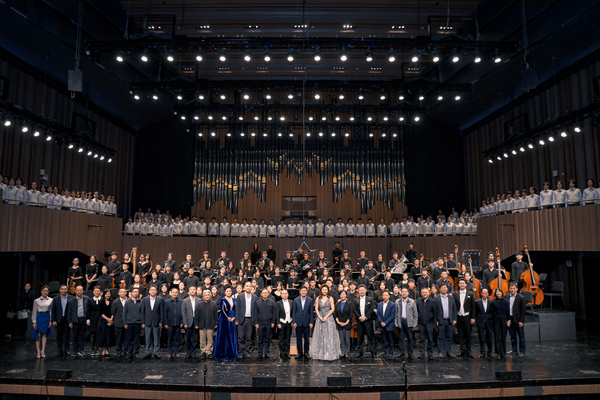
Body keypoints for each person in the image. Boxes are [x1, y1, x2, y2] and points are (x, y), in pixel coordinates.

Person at [311, 285, 340, 361]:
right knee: (320, 335)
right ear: (321, 290)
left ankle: (329, 353)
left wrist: (326, 316)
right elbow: (316, 309)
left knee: (329, 335)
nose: (324, 291)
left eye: (325, 289)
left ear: (328, 290)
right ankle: (320, 354)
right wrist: (320, 317)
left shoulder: (331, 298)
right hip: (320, 317)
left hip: (328, 318)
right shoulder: (318, 298)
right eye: (323, 289)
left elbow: (332, 309)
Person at [213, 286, 238, 361]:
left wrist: (234, 317)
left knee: (231, 336)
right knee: (224, 336)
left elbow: (235, 309)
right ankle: (223, 353)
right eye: (227, 291)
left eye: (230, 291)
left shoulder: (234, 299)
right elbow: (222, 310)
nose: (229, 292)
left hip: (232, 319)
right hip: (224, 320)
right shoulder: (222, 299)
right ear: (225, 292)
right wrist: (228, 318)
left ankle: (231, 353)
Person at [453, 278, 475, 358]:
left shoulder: (470, 294)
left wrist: (473, 317)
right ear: (458, 285)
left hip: (467, 316)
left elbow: (473, 307)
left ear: (466, 284)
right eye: (460, 283)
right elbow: (453, 307)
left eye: (463, 283)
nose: (462, 284)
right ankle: (462, 351)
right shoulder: (455, 294)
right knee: (460, 334)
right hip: (459, 316)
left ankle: (468, 351)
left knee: (468, 334)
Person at [67, 285, 91, 357]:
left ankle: (81, 350)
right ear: (75, 291)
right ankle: (74, 350)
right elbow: (69, 312)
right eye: (78, 290)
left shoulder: (86, 299)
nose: (79, 292)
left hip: (83, 319)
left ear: (83, 291)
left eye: (80, 290)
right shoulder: (71, 301)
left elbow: (89, 310)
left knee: (82, 336)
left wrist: (88, 319)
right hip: (75, 320)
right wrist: (70, 321)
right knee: (74, 336)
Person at [353, 284, 376, 358]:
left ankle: (373, 352)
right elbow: (354, 310)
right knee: (360, 337)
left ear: (365, 291)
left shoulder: (370, 299)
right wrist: (359, 317)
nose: (361, 292)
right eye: (360, 290)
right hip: (359, 321)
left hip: (368, 320)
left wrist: (365, 317)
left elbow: (372, 309)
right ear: (358, 291)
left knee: (370, 336)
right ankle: (360, 352)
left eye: (363, 290)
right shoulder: (355, 300)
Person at [395, 287, 418, 360]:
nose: (404, 293)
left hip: (409, 321)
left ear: (408, 293)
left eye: (405, 291)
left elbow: (415, 313)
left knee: (410, 338)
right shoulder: (397, 301)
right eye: (403, 291)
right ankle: (402, 353)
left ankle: (410, 353)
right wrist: (396, 322)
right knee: (401, 338)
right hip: (401, 321)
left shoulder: (412, 301)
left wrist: (415, 322)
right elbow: (396, 313)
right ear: (401, 293)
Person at [141, 285, 163, 359]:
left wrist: (161, 321)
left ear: (156, 291)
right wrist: (143, 322)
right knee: (147, 338)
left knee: (156, 338)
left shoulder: (160, 299)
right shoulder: (145, 299)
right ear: (149, 291)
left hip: (156, 321)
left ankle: (156, 352)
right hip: (147, 321)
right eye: (151, 290)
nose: (153, 291)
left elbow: (161, 312)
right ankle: (148, 352)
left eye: (154, 290)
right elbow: (142, 312)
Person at [50, 284, 72, 359]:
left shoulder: (71, 298)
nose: (63, 290)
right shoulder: (55, 299)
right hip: (58, 320)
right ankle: (60, 350)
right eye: (62, 289)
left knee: (67, 335)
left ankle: (66, 350)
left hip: (67, 319)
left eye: (65, 289)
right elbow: (53, 310)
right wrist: (53, 320)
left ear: (67, 290)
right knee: (59, 336)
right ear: (59, 290)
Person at [292, 286, 314, 360]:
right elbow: (294, 312)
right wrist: (294, 321)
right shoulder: (296, 300)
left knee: (307, 339)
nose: (303, 292)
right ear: (300, 291)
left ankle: (306, 352)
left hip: (307, 322)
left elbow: (311, 312)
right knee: (298, 339)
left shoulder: (310, 300)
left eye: (305, 291)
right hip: (298, 322)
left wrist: (311, 322)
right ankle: (299, 353)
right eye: (302, 291)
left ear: (307, 292)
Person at [32, 285, 52, 359]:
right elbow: (34, 312)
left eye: (46, 291)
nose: (45, 292)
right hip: (39, 317)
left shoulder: (51, 300)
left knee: (44, 334)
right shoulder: (36, 300)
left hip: (46, 317)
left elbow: (51, 311)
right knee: (38, 334)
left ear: (48, 292)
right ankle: (38, 351)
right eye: (44, 291)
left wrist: (50, 320)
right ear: (41, 291)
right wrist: (34, 321)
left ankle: (43, 350)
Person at [255, 288, 276, 359]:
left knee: (267, 339)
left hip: (269, 323)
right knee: (260, 339)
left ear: (268, 294)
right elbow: (255, 313)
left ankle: (267, 352)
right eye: (263, 293)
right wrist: (256, 323)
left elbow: (274, 313)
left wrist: (273, 322)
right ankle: (260, 353)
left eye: (266, 293)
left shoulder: (272, 302)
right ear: (261, 294)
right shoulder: (257, 302)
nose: (264, 294)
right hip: (260, 323)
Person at [162, 287, 183, 359]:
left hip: (178, 323)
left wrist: (181, 322)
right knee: (170, 338)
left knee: (177, 338)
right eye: (173, 292)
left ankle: (176, 352)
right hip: (169, 324)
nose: (175, 294)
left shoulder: (181, 301)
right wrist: (166, 323)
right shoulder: (167, 302)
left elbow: (183, 313)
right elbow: (165, 314)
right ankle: (170, 352)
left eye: (176, 292)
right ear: (170, 293)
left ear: (178, 293)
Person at [507, 282, 527, 357]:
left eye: (514, 288)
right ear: (509, 289)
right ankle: (514, 349)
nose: (512, 290)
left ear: (517, 289)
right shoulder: (506, 297)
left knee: (521, 337)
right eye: (511, 288)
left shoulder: (521, 298)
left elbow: (523, 310)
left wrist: (521, 321)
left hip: (518, 320)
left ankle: (522, 351)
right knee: (512, 336)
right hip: (510, 319)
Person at [123, 287, 143, 360]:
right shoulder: (128, 302)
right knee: (129, 339)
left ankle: (136, 352)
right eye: (134, 292)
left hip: (138, 323)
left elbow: (142, 313)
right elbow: (124, 313)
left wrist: (142, 322)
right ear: (131, 293)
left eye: (137, 292)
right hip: (129, 323)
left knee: (137, 339)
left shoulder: (141, 302)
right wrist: (125, 323)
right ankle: (130, 352)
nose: (136, 293)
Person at [181, 286, 201, 359]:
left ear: (196, 291)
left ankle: (193, 352)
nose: (192, 291)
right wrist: (185, 323)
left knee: (195, 339)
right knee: (188, 339)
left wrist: (198, 323)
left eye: (193, 289)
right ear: (188, 292)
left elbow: (200, 312)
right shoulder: (185, 301)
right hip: (188, 322)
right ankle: (188, 353)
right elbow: (183, 313)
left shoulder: (199, 300)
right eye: (191, 289)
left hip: (196, 322)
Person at [198, 289, 218, 359]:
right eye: (205, 295)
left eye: (208, 295)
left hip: (211, 324)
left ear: (210, 296)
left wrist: (216, 323)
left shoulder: (213, 304)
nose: (207, 296)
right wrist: (196, 324)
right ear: (203, 296)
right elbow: (197, 315)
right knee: (202, 340)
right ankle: (203, 352)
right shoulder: (199, 304)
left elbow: (216, 315)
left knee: (210, 340)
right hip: (201, 325)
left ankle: (209, 352)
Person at [474, 288, 494, 359]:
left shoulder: (491, 302)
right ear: (481, 294)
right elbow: (475, 312)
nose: (484, 294)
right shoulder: (477, 302)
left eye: (486, 293)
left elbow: (492, 312)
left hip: (489, 322)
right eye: (483, 293)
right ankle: (482, 352)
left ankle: (489, 352)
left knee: (489, 337)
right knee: (481, 337)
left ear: (488, 294)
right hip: (480, 321)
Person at [275, 289, 294, 360]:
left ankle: (287, 353)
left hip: (289, 322)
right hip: (282, 322)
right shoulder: (278, 303)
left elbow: (293, 312)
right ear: (281, 295)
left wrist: (293, 321)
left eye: (286, 293)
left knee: (288, 339)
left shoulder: (291, 302)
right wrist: (278, 323)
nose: (285, 295)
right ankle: (282, 353)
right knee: (281, 339)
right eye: (283, 294)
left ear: (288, 294)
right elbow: (277, 314)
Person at [376, 290, 396, 359]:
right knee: (384, 339)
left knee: (390, 339)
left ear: (389, 296)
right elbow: (378, 314)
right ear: (382, 296)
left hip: (389, 325)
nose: (385, 296)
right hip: (382, 325)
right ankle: (384, 351)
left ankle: (391, 352)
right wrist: (381, 322)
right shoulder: (379, 304)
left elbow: (392, 315)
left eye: (386, 295)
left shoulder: (392, 304)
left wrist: (386, 323)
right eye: (384, 295)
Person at [417, 287, 435, 360]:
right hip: (421, 322)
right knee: (422, 338)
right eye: (423, 292)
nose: (424, 294)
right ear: (421, 294)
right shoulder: (418, 301)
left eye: (426, 292)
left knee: (430, 338)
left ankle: (430, 353)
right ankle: (422, 353)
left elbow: (435, 312)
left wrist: (434, 322)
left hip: (430, 322)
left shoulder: (432, 301)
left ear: (428, 293)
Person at [333, 290, 353, 360]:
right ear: (339, 295)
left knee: (347, 340)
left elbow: (351, 314)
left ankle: (347, 352)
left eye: (344, 294)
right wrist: (338, 322)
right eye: (341, 294)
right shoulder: (337, 304)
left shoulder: (349, 304)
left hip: (347, 324)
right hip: (339, 324)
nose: (342, 296)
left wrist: (346, 322)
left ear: (346, 295)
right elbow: (335, 314)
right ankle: (342, 352)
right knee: (341, 340)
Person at [491, 288, 509, 359]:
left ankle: (503, 352)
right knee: (497, 336)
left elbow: (507, 311)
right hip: (496, 320)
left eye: (500, 292)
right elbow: (492, 311)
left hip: (504, 319)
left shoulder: (506, 301)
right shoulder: (492, 301)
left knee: (503, 336)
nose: (498, 293)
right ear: (495, 293)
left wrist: (508, 319)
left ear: (502, 293)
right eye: (497, 292)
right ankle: (497, 352)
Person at [111, 287, 128, 357]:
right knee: (119, 337)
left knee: (126, 337)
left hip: (127, 322)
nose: (122, 293)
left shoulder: (129, 301)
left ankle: (126, 350)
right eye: (121, 292)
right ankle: (119, 351)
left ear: (126, 293)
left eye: (124, 292)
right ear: (118, 293)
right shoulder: (115, 302)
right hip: (118, 322)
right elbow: (113, 312)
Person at [96, 289, 113, 357]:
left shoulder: (112, 302)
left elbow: (113, 311)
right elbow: (100, 312)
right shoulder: (101, 302)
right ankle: (103, 349)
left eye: (109, 294)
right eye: (106, 294)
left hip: (110, 319)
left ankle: (107, 349)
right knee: (103, 334)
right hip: (103, 319)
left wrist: (111, 319)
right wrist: (107, 319)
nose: (107, 295)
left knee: (108, 335)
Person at [88, 286, 103, 357]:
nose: (97, 292)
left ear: (100, 292)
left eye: (98, 291)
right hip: (93, 319)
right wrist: (88, 319)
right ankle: (92, 349)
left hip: (100, 318)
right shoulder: (90, 300)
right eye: (95, 291)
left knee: (99, 334)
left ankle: (97, 348)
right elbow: (88, 310)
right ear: (93, 292)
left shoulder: (102, 300)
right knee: (92, 334)